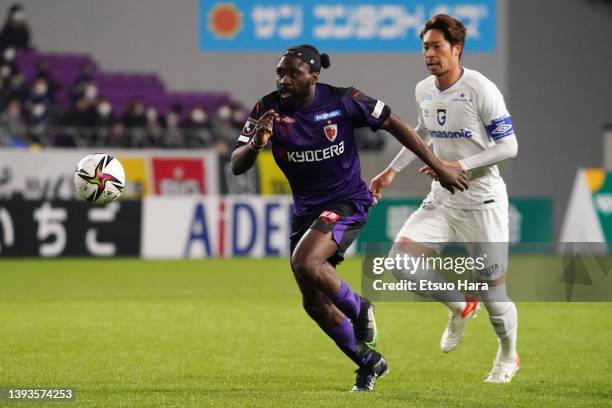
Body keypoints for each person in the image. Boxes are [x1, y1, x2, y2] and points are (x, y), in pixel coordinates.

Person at [231, 44, 468, 391]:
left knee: (306, 262)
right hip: (305, 212)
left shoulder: (343, 100)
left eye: (293, 73)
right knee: (313, 302)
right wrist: (255, 144)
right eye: (280, 72)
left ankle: (360, 308)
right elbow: (237, 165)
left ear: (313, 75)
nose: (284, 79)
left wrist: (439, 166)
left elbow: (395, 124)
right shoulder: (266, 109)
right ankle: (369, 362)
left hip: (347, 202)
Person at [369, 15, 519, 383]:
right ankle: (460, 305)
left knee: (495, 298)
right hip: (441, 199)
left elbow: (510, 146)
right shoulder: (425, 90)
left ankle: (508, 355)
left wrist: (457, 165)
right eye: (425, 47)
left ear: (457, 49)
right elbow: (420, 136)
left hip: (482, 202)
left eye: (436, 46)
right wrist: (390, 171)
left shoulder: (481, 88)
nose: (429, 54)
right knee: (401, 264)